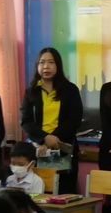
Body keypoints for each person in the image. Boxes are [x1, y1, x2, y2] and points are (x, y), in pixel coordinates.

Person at [20, 47, 84, 194]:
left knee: (64, 195)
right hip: (39, 151)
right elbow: (25, 121)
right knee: (39, 195)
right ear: (37, 66)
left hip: (63, 150)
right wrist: (44, 138)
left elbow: (74, 119)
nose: (46, 66)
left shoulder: (70, 90)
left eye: (51, 62)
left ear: (58, 65)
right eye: (42, 62)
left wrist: (54, 138)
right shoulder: (31, 91)